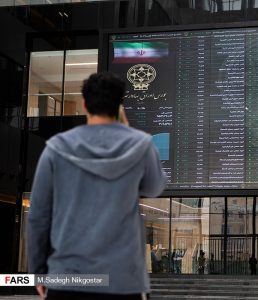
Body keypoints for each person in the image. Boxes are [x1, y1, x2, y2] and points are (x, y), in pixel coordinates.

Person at [27, 72, 167, 300]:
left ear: (84, 104)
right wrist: (127, 129)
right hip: (123, 281)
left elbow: (39, 216)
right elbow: (154, 188)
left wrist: (38, 271)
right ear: (120, 105)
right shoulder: (141, 145)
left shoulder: (56, 148)